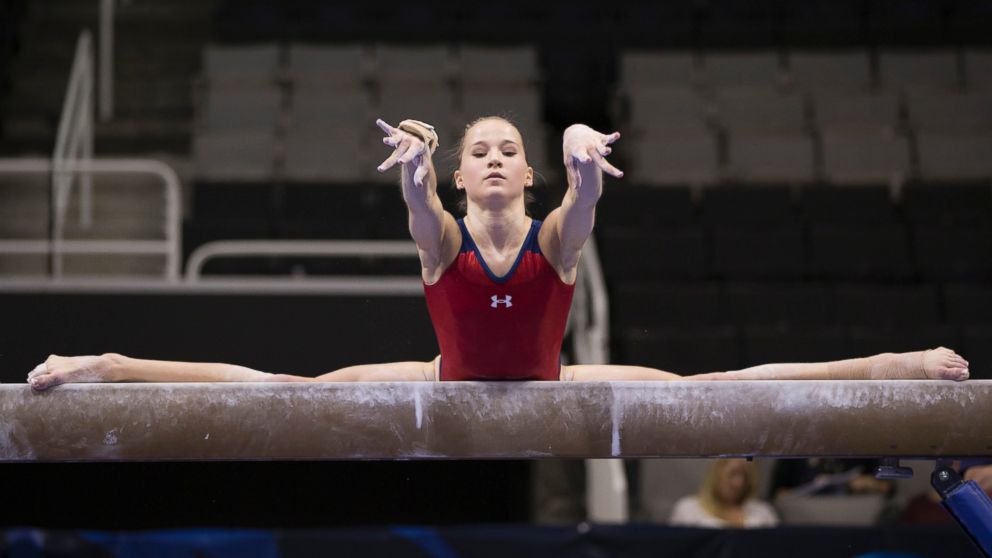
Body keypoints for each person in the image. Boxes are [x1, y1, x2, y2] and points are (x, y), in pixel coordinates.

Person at [26, 116, 971, 389]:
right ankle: (106, 365)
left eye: (505, 152)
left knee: (708, 389)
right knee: (292, 394)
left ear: (526, 177)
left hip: (554, 385)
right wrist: (417, 168)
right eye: (477, 151)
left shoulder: (557, 231)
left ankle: (893, 363)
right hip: (447, 378)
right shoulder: (441, 234)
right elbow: (415, 206)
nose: (491, 160)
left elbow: (589, 200)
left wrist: (578, 154)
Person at [669, 458, 779, 528]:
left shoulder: (763, 512)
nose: (739, 483)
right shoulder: (687, 509)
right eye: (733, 474)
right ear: (716, 474)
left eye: (745, 476)